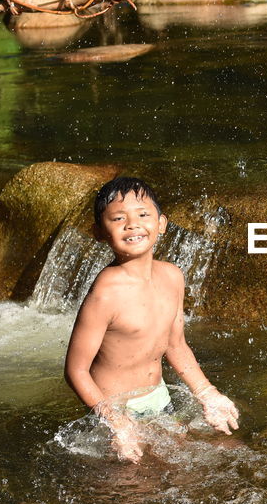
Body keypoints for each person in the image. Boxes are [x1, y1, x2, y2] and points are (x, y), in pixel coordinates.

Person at [64, 176, 239, 462]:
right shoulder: (106, 292)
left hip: (159, 399)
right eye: (118, 218)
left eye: (143, 214)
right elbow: (75, 371)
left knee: (206, 461)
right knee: (134, 486)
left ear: (161, 224)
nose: (132, 224)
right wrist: (115, 422)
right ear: (99, 232)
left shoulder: (172, 276)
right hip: (115, 407)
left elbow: (176, 344)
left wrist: (208, 393)